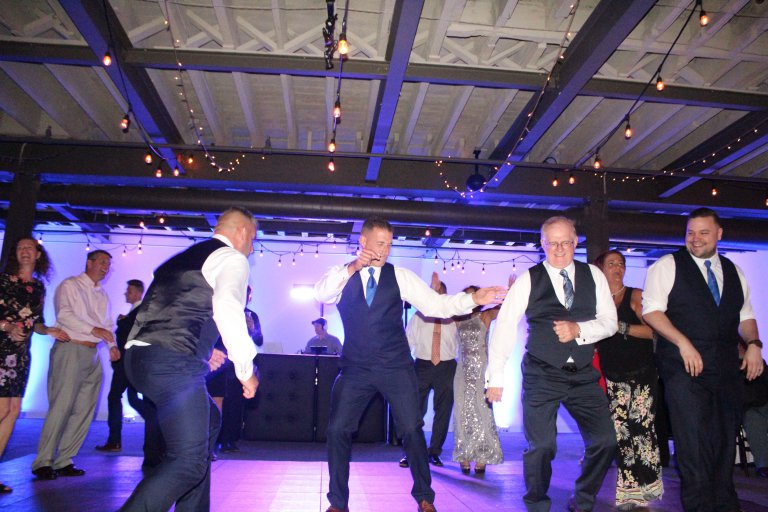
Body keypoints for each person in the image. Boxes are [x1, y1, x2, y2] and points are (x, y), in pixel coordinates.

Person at [314, 217, 506, 512]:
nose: (385, 250)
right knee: (337, 429)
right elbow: (321, 294)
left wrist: (473, 299)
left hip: (395, 367)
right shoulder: (340, 275)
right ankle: (338, 503)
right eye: (380, 243)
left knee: (412, 429)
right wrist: (352, 267)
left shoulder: (400, 276)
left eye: (389, 245)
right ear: (363, 242)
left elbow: (437, 305)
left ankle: (425, 497)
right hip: (355, 368)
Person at [119, 207, 260, 512]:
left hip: (140, 358)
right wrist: (245, 368)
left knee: (209, 422)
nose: (251, 249)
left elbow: (173, 311)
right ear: (242, 232)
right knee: (188, 462)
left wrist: (205, 351)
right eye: (253, 239)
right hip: (171, 363)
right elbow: (228, 308)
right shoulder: (232, 258)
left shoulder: (185, 258)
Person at [486, 215, 618, 512]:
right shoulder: (529, 279)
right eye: (552, 243)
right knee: (542, 446)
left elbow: (610, 322)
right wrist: (495, 378)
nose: (559, 249)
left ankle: (583, 499)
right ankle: (536, 504)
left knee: (606, 441)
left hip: (583, 374)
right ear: (542, 244)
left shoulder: (594, 276)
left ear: (576, 242)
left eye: (566, 242)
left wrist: (579, 329)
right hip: (541, 373)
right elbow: (505, 326)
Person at [643, 207, 764, 512]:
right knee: (693, 445)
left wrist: (754, 344)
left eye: (703, 233)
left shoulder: (734, 271)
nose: (695, 239)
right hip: (683, 368)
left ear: (719, 234)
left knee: (724, 442)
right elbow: (652, 312)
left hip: (725, 369)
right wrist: (682, 342)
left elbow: (746, 315)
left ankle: (725, 505)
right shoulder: (667, 265)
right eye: (690, 233)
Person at [31, 249, 118, 480]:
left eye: (108, 264)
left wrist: (111, 346)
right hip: (70, 348)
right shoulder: (70, 285)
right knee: (61, 406)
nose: (106, 267)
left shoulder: (102, 294)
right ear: (89, 263)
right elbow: (65, 315)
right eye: (102, 262)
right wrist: (93, 329)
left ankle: (64, 460)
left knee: (84, 410)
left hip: (92, 353)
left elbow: (108, 325)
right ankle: (43, 461)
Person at [594, 250, 663, 510]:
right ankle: (629, 492)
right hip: (614, 377)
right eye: (611, 263)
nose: (617, 267)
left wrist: (622, 327)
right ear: (601, 269)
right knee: (621, 435)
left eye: (621, 263)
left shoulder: (635, 296)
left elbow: (654, 331)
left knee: (641, 431)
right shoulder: (597, 302)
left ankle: (647, 489)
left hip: (641, 375)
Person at [0, 238, 69, 493]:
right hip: (1, 350)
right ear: (15, 254)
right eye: (20, 248)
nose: (25, 251)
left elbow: (36, 322)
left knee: (14, 410)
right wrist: (7, 326)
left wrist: (48, 329)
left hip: (21, 354)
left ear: (38, 254)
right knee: (2, 409)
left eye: (30, 247)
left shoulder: (38, 287)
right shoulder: (4, 281)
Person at [399, 274, 459, 469]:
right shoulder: (418, 316)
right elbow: (408, 341)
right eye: (433, 291)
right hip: (422, 365)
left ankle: (434, 452)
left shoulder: (454, 317)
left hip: (447, 367)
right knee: (414, 411)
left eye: (439, 291)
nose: (436, 294)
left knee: (443, 411)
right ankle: (410, 453)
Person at [452, 285, 503, 475]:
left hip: (481, 371)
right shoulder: (457, 319)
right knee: (462, 412)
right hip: (462, 371)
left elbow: (502, 309)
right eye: (466, 296)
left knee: (482, 411)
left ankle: (483, 455)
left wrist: (511, 292)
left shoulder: (485, 316)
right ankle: (464, 454)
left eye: (471, 295)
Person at [206, 286, 263, 454]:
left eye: (247, 295)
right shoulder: (223, 310)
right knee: (216, 401)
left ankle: (229, 440)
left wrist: (253, 329)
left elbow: (259, 340)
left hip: (238, 364)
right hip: (219, 363)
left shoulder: (251, 315)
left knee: (235, 404)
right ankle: (213, 442)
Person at [96, 279, 147, 453]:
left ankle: (114, 440)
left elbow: (130, 333)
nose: (126, 293)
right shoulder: (136, 312)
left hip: (127, 363)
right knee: (133, 399)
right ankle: (157, 426)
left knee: (114, 397)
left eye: (129, 291)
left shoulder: (139, 312)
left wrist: (121, 322)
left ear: (138, 293)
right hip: (130, 363)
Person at [739, 340, 768, 478]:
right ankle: (764, 464)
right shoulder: (730, 367)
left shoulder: (759, 363)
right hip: (747, 407)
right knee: (753, 418)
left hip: (764, 402)